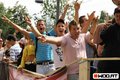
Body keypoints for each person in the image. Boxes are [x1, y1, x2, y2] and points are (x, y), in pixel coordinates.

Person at [97, 7, 120, 74]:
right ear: (114, 17)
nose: (118, 18)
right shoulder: (111, 28)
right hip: (108, 65)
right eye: (117, 16)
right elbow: (102, 37)